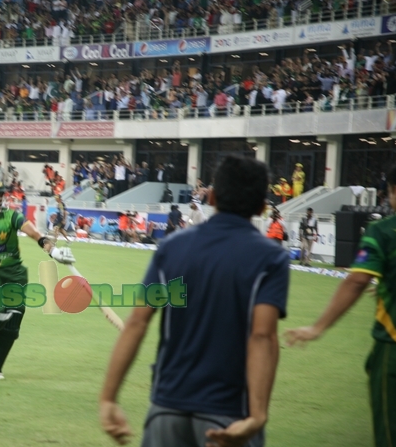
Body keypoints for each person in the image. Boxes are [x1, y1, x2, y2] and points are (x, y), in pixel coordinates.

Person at [99, 155, 289, 447]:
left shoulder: (173, 247)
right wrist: (258, 415)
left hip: (166, 409)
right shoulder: (270, 258)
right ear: (263, 206)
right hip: (228, 414)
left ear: (211, 196)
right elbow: (263, 335)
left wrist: (109, 398)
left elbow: (137, 322)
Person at [285, 162, 396, 447]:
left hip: (393, 347)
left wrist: (318, 327)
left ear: (395, 191)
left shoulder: (384, 231)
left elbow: (356, 281)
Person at [0, 178, 75, 380]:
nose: (0, 199)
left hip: (15, 273)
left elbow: (35, 234)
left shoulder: (11, 216)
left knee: (12, 325)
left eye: (2, 195)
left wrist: (53, 251)